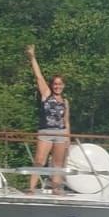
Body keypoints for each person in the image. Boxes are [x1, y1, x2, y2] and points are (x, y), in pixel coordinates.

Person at [26, 44, 69, 194]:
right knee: (39, 161)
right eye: (55, 84)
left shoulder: (65, 101)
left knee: (57, 163)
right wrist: (32, 57)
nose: (57, 86)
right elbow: (38, 77)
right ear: (52, 85)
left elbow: (66, 121)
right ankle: (30, 188)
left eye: (60, 84)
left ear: (63, 85)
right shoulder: (46, 94)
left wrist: (68, 137)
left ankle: (56, 188)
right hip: (45, 132)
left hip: (61, 134)